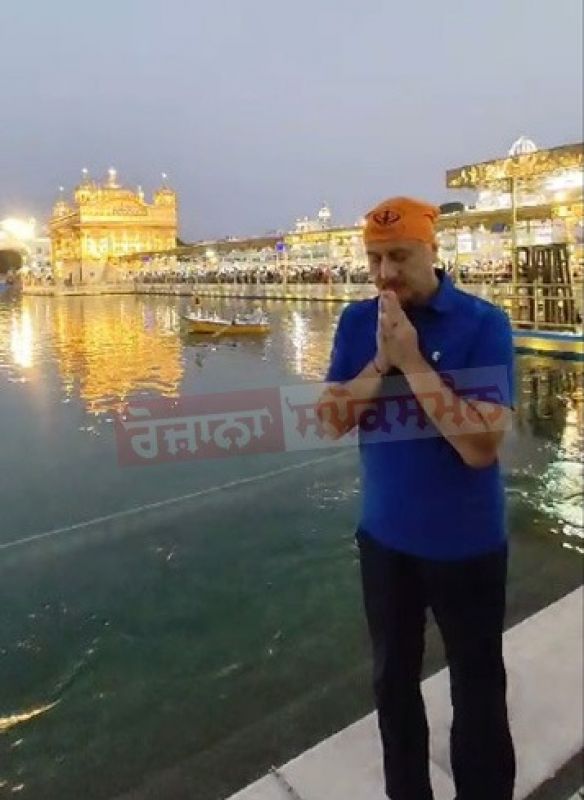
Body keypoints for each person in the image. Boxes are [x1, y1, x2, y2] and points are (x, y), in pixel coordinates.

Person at [318, 197, 516, 800]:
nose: (384, 274)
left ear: (432, 250)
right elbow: (329, 420)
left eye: (399, 257)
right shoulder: (358, 322)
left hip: (467, 544)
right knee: (392, 685)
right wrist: (381, 360)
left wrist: (412, 361)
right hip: (385, 540)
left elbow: (479, 447)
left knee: (477, 688)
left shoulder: (484, 324)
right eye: (374, 259)